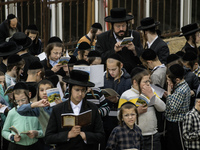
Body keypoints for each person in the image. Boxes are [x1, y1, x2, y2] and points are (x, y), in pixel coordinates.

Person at [45, 70, 105, 150]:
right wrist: (68, 135)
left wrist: (86, 136)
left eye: (83, 90)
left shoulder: (93, 108)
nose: (80, 94)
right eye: (77, 90)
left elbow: (101, 136)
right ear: (69, 89)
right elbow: (48, 138)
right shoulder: (58, 109)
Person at [118, 67, 166, 150]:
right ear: (135, 82)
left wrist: (151, 95)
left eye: (149, 81)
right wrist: (136, 111)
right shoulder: (126, 95)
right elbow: (119, 116)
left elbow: (163, 108)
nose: (148, 84)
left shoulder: (151, 91)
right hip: (133, 134)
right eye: (145, 81)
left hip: (152, 135)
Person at [96, 7, 143, 74]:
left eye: (123, 26)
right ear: (112, 26)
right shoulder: (102, 38)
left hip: (131, 75)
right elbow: (99, 59)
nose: (121, 29)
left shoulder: (135, 35)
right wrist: (113, 51)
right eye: (118, 26)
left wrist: (134, 50)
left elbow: (143, 58)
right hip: (110, 76)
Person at [1, 82, 43, 150]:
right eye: (17, 101)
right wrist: (12, 137)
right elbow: (4, 131)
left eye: (23, 100)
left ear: (29, 95)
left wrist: (37, 133)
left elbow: (45, 131)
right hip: (16, 146)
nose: (20, 104)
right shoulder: (12, 112)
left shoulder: (37, 110)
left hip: (35, 146)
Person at [103, 53, 132, 144]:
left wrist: (118, 101)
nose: (111, 72)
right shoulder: (104, 78)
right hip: (106, 118)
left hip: (121, 118)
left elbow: (130, 100)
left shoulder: (128, 80)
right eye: (108, 69)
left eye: (114, 69)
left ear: (121, 66)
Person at [165, 64, 191, 150]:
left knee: (178, 146)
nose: (168, 82)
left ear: (177, 79)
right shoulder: (181, 85)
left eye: (169, 80)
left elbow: (173, 109)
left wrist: (169, 93)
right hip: (176, 122)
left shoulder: (180, 90)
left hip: (177, 123)